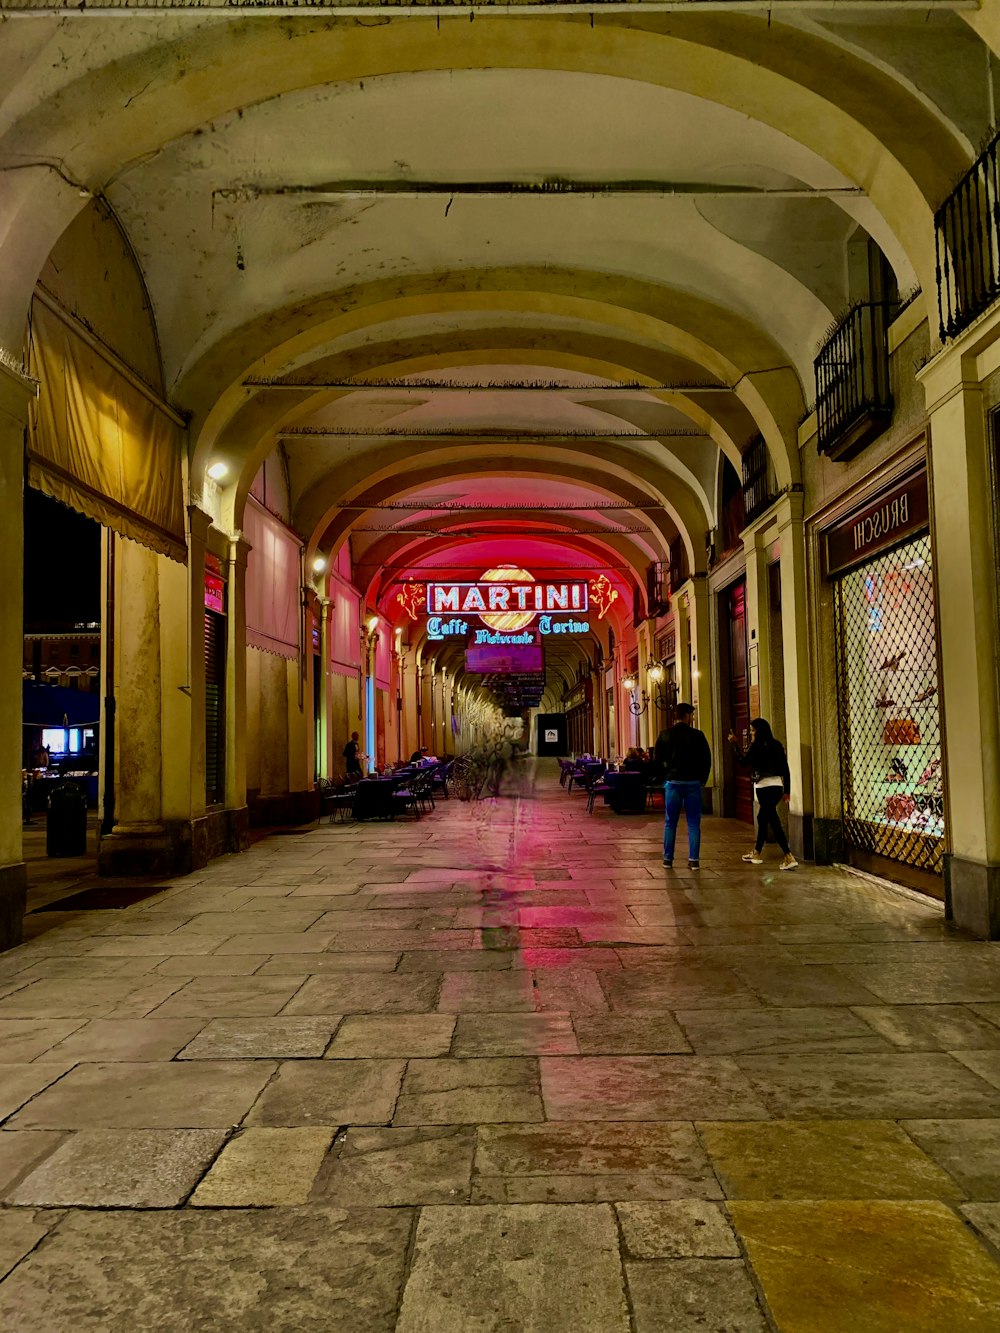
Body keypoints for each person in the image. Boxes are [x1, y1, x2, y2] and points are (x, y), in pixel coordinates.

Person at [727, 717, 798, 870]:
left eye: (753, 730)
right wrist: (786, 790)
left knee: (772, 820)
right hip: (777, 786)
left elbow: (742, 762)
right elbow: (785, 769)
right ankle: (757, 852)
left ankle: (788, 855)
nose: (751, 733)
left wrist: (734, 744)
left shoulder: (756, 747)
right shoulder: (777, 745)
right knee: (764, 817)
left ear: (759, 731)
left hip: (763, 787)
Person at [661, 702, 712, 869]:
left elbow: (656, 759)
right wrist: (702, 780)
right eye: (692, 715)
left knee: (670, 822)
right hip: (692, 783)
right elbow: (706, 760)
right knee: (693, 823)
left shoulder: (665, 734)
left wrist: (665, 777)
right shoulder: (698, 735)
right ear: (686, 716)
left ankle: (668, 859)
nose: (693, 718)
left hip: (673, 783)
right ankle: (693, 860)